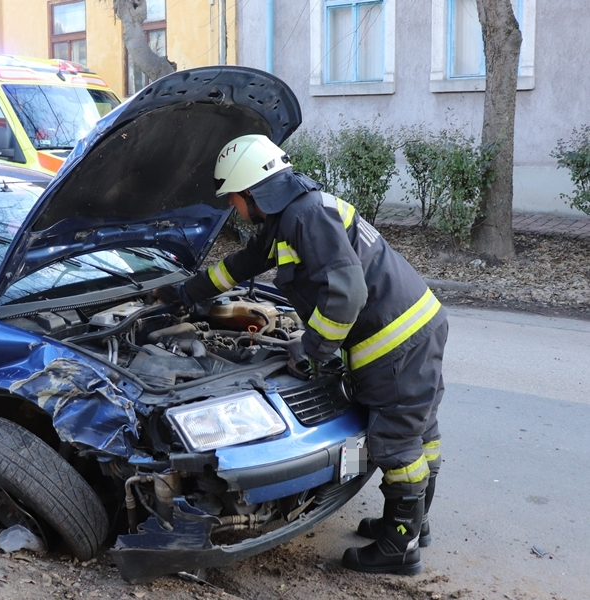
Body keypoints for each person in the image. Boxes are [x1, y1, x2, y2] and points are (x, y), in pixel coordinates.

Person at [160, 134, 448, 575]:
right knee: (418, 429)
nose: (233, 207)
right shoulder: (291, 214)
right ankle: (411, 524)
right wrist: (185, 294)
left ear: (252, 191)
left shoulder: (306, 215)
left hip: (395, 342)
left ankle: (399, 548)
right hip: (409, 331)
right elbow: (241, 264)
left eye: (233, 198)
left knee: (397, 441)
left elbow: (347, 293)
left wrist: (312, 350)